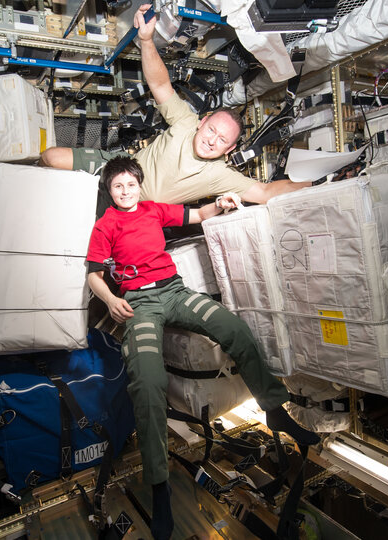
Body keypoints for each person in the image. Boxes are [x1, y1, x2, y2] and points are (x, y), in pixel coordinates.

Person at [85, 157, 321, 539]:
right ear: (109, 191)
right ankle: (159, 485)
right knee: (147, 383)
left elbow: (196, 216)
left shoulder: (152, 210)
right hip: (140, 304)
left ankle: (275, 409)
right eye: (118, 186)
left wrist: (222, 204)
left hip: (175, 292)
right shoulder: (106, 225)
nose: (126, 191)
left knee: (235, 330)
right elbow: (94, 275)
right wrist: (111, 300)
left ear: (140, 186)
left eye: (131, 184)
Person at [40, 4, 311, 205]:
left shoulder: (219, 175)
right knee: (51, 158)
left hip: (138, 212)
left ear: (229, 149)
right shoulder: (185, 122)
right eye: (211, 130)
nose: (211, 140)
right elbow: (160, 86)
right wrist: (146, 41)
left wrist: (319, 183)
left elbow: (265, 192)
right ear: (202, 123)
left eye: (221, 140)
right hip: (120, 169)